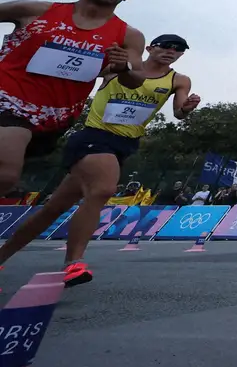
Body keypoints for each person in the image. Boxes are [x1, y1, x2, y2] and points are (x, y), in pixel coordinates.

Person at [0, 34, 200, 285]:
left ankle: (2, 256)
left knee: (53, 209)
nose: (171, 51)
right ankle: (73, 263)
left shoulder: (178, 80)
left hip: (125, 144)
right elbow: (73, 71)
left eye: (178, 49)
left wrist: (187, 108)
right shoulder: (117, 67)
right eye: (165, 46)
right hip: (94, 135)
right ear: (149, 48)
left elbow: (179, 113)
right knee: (103, 189)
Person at [0, 0, 147, 197]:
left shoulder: (129, 36)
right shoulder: (35, 10)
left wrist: (124, 68)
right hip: (8, 99)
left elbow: (136, 79)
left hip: (56, 117)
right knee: (6, 173)